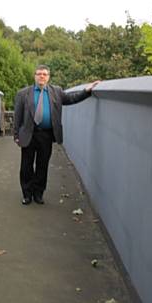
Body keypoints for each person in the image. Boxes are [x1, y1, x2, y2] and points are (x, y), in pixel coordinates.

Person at [13, 65, 99, 205]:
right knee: (26, 166)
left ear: (48, 77)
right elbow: (17, 115)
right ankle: (27, 194)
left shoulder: (56, 92)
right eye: (39, 74)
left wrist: (86, 91)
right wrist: (16, 134)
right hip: (29, 134)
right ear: (34, 76)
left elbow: (71, 98)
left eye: (45, 74)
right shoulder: (23, 93)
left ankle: (38, 193)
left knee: (43, 165)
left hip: (46, 135)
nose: (42, 76)